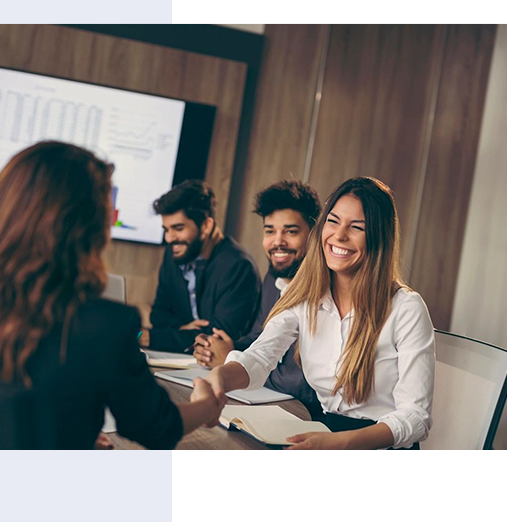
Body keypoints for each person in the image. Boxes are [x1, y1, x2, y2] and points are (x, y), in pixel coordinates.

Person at [0, 141, 222, 450]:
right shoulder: (103, 325)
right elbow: (157, 428)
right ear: (88, 228)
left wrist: (68, 433)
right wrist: (207, 404)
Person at [204, 177, 435, 450]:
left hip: (378, 447)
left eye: (356, 227)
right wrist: (218, 379)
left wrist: (340, 443)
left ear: (378, 237)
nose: (339, 235)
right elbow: (260, 356)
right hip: (324, 431)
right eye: (333, 221)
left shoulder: (406, 308)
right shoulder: (306, 296)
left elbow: (415, 417)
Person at [193, 180, 322, 414]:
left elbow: (304, 383)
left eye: (291, 231)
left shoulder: (326, 290)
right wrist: (223, 348)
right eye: (270, 231)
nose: (277, 241)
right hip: (271, 403)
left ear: (314, 234)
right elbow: (260, 335)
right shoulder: (274, 275)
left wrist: (232, 362)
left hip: (307, 414)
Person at [144, 179, 261, 353]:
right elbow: (159, 316)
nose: (169, 238)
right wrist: (185, 329)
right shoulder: (174, 254)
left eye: (178, 228)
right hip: (182, 361)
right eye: (166, 230)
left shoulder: (239, 266)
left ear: (206, 226)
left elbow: (219, 337)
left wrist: (153, 338)